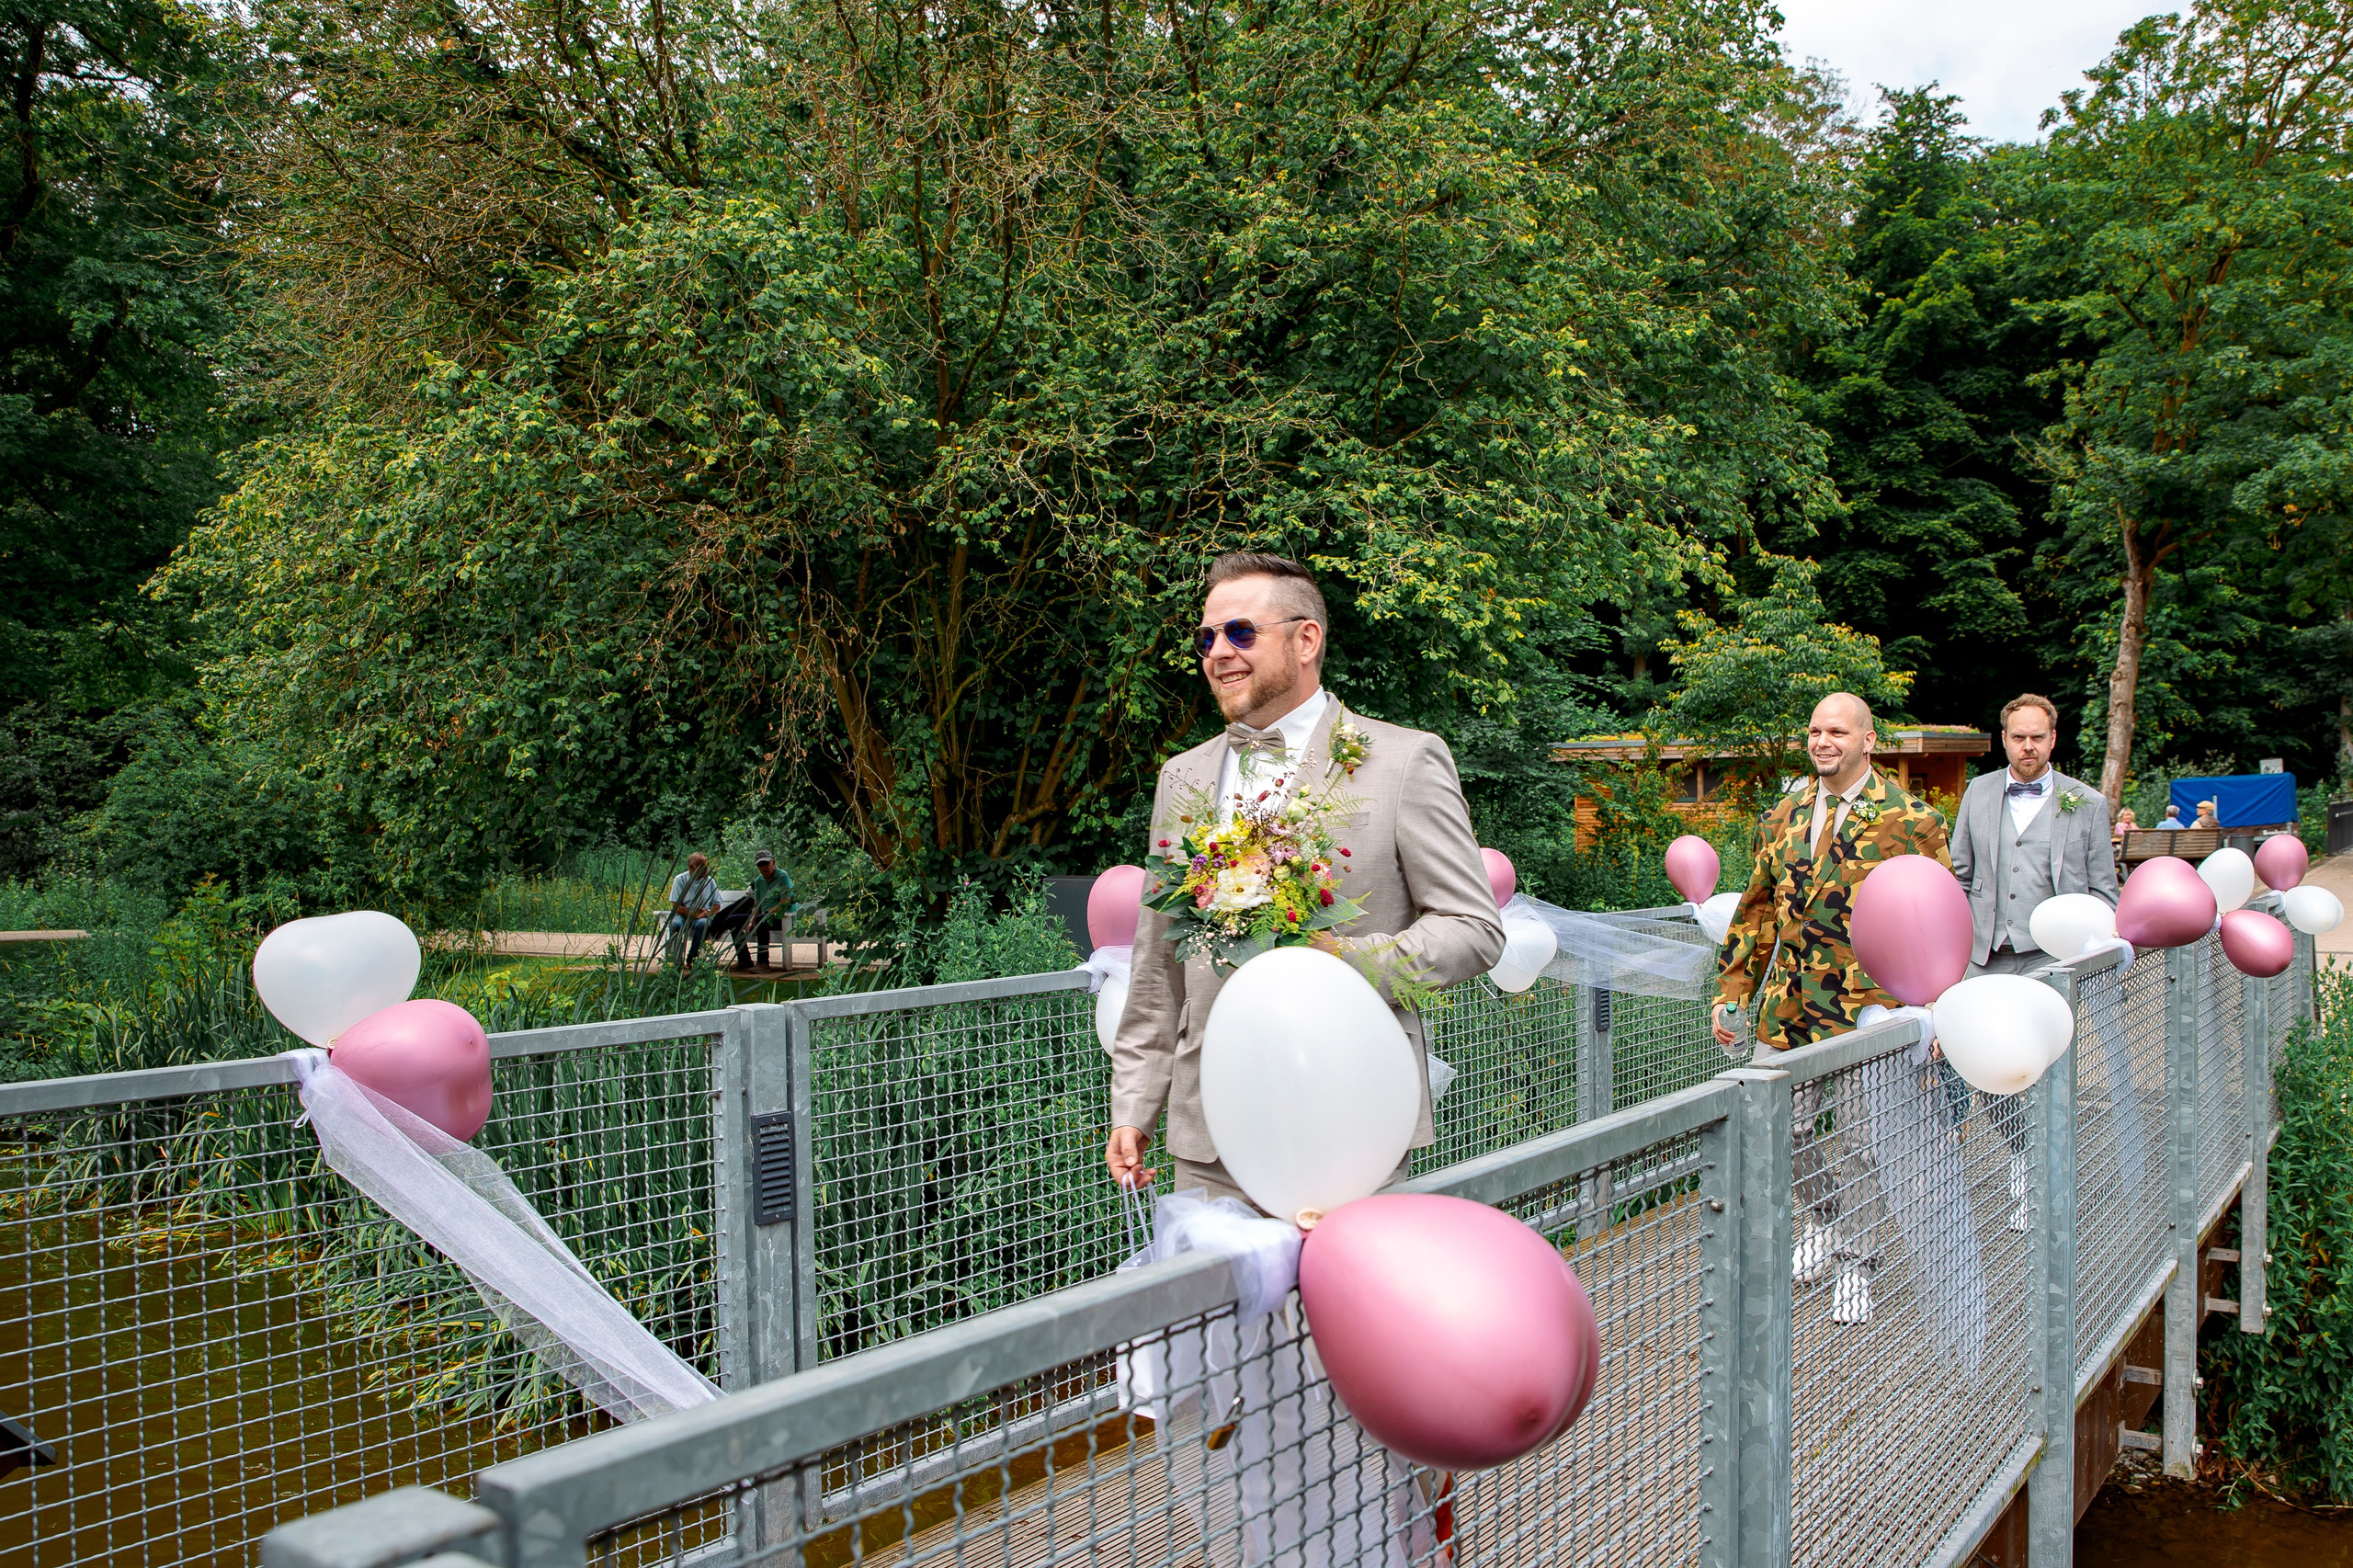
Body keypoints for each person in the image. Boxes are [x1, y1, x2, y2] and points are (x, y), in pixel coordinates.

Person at [1105, 552, 1505, 1207]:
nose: (1217, 653)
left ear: (1306, 639)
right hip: (1210, 1136)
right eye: (1206, 638)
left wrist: (1344, 962)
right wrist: (1133, 1109)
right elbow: (1156, 970)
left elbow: (1474, 930)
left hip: (1352, 1123)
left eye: (1240, 633)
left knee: (1345, 1313)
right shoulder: (1182, 777)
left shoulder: (1404, 760)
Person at [1710, 692, 1952, 1324]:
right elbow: (1757, 911)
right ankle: (1824, 1221)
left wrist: (1937, 1008)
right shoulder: (1784, 812)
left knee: (1860, 1143)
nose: (1823, 741)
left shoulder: (1912, 819)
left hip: (1865, 1006)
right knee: (1773, 1131)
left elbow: (1942, 920)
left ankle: (1855, 1261)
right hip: (1789, 1005)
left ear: (1868, 741)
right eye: (1815, 730)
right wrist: (1733, 993)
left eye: (1837, 731)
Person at [1948, 694, 2118, 1227]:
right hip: (1983, 958)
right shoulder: (1976, 793)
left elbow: (2104, 895)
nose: (2027, 746)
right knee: (1986, 1072)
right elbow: (1959, 877)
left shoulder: (2086, 803)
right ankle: (2020, 1154)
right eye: (2018, 737)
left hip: (2048, 964)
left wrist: (2087, 953)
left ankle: (2042, 1175)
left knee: (2042, 1073)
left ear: (2052, 740)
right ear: (2003, 740)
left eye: (2037, 737)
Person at [730, 851, 795, 970]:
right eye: (760, 865)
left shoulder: (782, 876)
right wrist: (751, 921)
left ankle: (763, 963)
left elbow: (785, 903)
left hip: (783, 919)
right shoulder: (759, 881)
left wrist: (768, 912)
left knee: (761, 919)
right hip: (763, 918)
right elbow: (757, 905)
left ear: (773, 862)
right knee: (733, 920)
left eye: (766, 863)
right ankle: (744, 960)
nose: (763, 867)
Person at [665, 853, 722, 967]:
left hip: (702, 915)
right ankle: (672, 959)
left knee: (703, 924)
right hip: (683, 914)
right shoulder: (680, 880)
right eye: (703, 866)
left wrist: (706, 912)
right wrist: (691, 913)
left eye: (707, 865)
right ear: (692, 867)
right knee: (675, 924)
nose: (707, 869)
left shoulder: (710, 881)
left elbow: (717, 905)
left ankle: (692, 958)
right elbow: (676, 906)